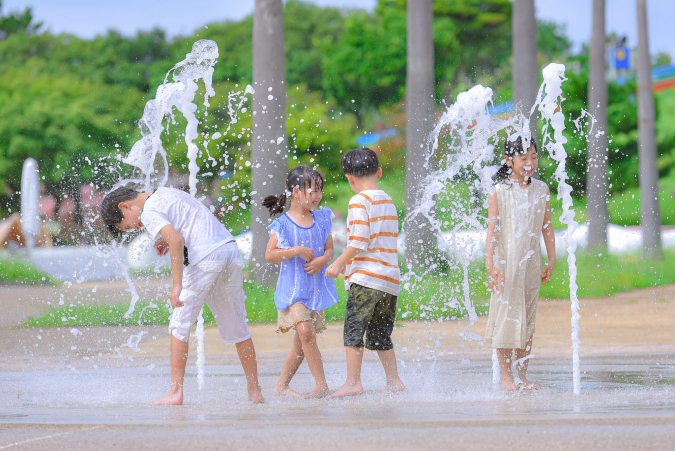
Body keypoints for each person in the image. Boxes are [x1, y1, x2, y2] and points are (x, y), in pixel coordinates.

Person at [101, 186, 264, 405]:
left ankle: (176, 392)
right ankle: (255, 391)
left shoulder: (147, 211)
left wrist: (177, 285)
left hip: (205, 257)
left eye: (129, 223)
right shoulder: (165, 192)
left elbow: (176, 240)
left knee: (179, 325)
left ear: (125, 206)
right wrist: (162, 239)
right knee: (237, 324)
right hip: (228, 249)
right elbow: (188, 218)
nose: (135, 226)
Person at [326, 148, 405, 397]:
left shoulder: (358, 201)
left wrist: (339, 264)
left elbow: (359, 240)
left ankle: (352, 382)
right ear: (379, 172)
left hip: (367, 278)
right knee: (381, 333)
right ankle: (394, 380)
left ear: (350, 179)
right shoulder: (388, 201)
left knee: (354, 328)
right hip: (389, 280)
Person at [484, 136, 556, 391]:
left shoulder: (542, 189)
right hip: (506, 264)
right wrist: (490, 263)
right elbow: (492, 230)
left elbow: (547, 225)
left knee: (527, 320)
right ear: (508, 160)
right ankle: (506, 377)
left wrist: (552, 257)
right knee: (506, 317)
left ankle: (522, 376)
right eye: (523, 158)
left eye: (534, 157)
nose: (530, 163)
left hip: (531, 263)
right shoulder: (499, 191)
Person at [263, 164, 339, 399]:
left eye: (319, 190)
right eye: (312, 191)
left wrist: (322, 261)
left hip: (315, 289)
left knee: (301, 343)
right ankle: (321, 385)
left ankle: (281, 386)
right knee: (306, 332)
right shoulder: (283, 224)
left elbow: (329, 250)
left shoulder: (322, 217)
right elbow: (270, 255)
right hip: (294, 290)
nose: (317, 196)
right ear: (296, 192)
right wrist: (295, 250)